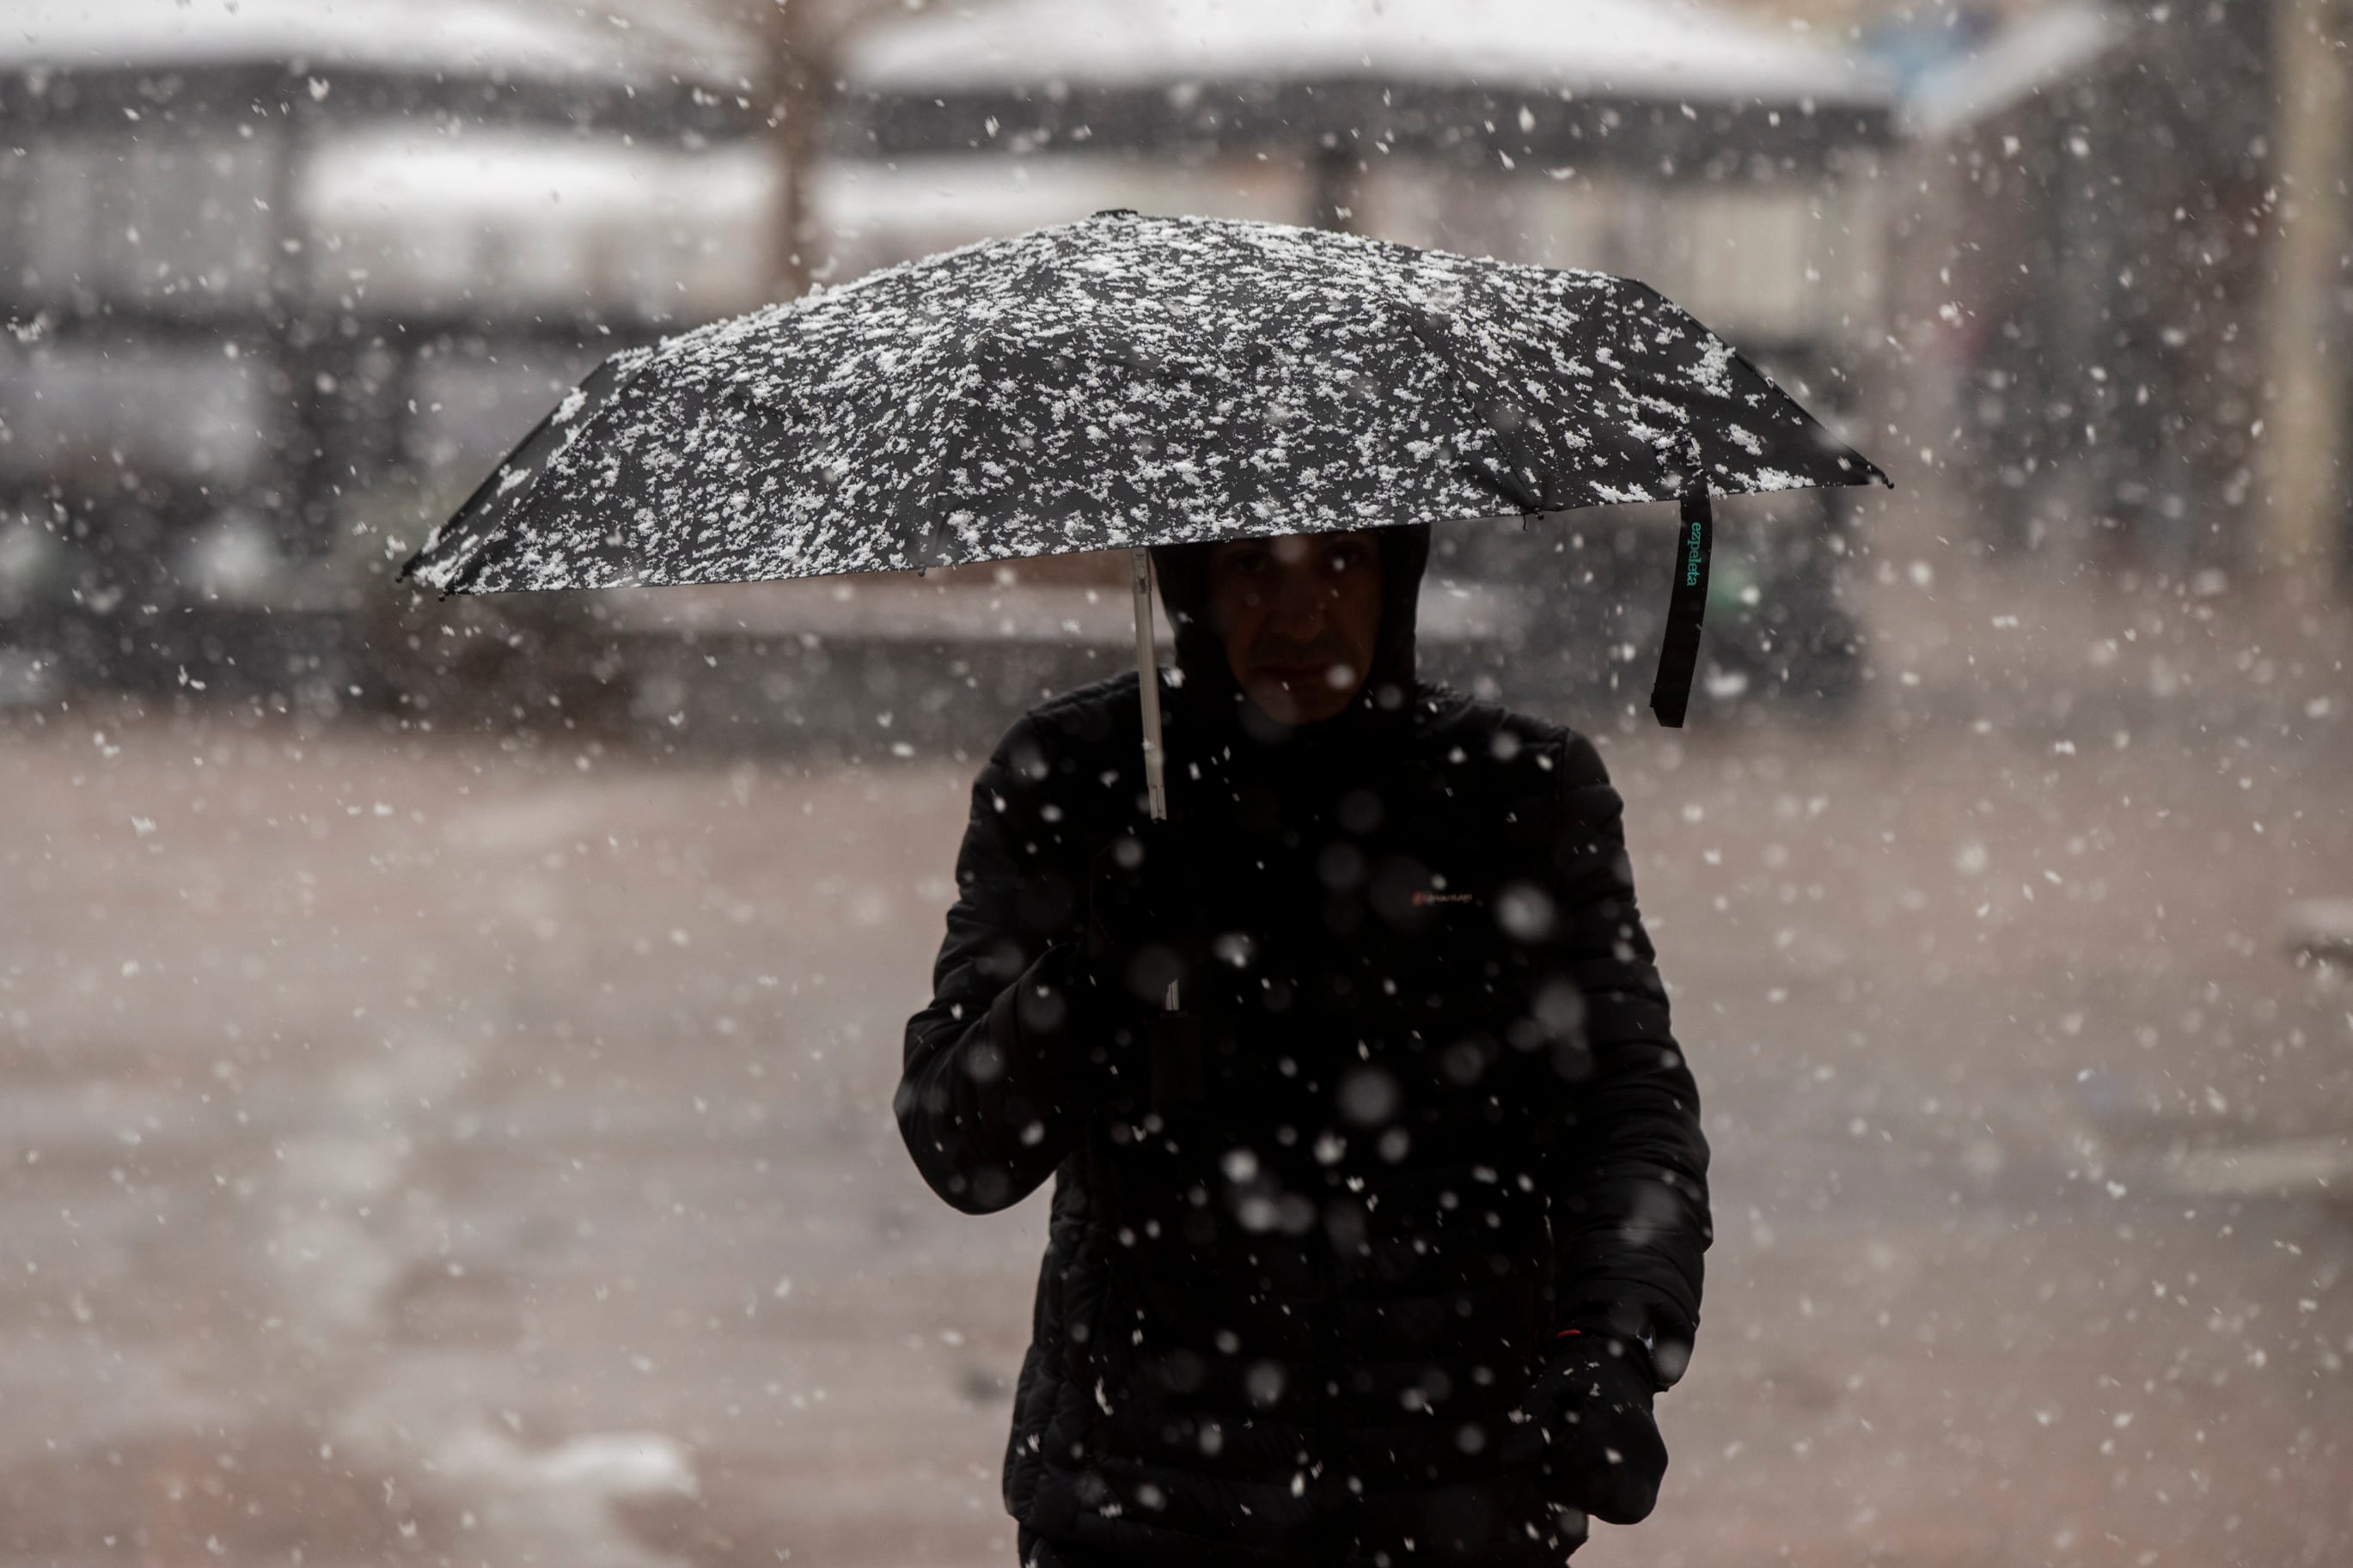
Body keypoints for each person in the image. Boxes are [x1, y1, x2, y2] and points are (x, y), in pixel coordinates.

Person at [897, 523, 1713, 1567]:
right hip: (1140, 1506)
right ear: (1187, 582)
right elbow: (958, 1146)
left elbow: (1626, 1114)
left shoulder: (1519, 791)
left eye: (1339, 561)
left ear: (1397, 575)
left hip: (1454, 1501)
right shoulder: (1075, 776)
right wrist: (1095, 970)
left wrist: (1609, 1343)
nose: (1297, 612)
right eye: (1249, 567)